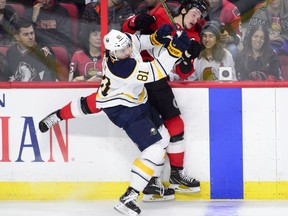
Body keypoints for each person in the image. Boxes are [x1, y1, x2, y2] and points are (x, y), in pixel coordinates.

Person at [38, 25, 191, 215]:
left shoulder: (123, 43)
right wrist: (174, 52)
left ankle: (152, 185)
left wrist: (156, 38)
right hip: (124, 109)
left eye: (127, 47)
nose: (127, 51)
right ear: (112, 53)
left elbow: (139, 41)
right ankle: (129, 197)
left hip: (136, 99)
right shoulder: (122, 67)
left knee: (164, 137)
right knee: (155, 150)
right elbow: (156, 71)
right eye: (122, 51)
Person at [122, 0, 209, 195]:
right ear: (184, 10)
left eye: (200, 17)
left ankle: (174, 175)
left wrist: (187, 57)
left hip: (158, 79)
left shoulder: (192, 36)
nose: (196, 19)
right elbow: (126, 30)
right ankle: (153, 180)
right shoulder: (160, 14)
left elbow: (184, 72)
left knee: (174, 127)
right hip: (140, 75)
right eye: (194, 13)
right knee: (157, 131)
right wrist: (138, 21)